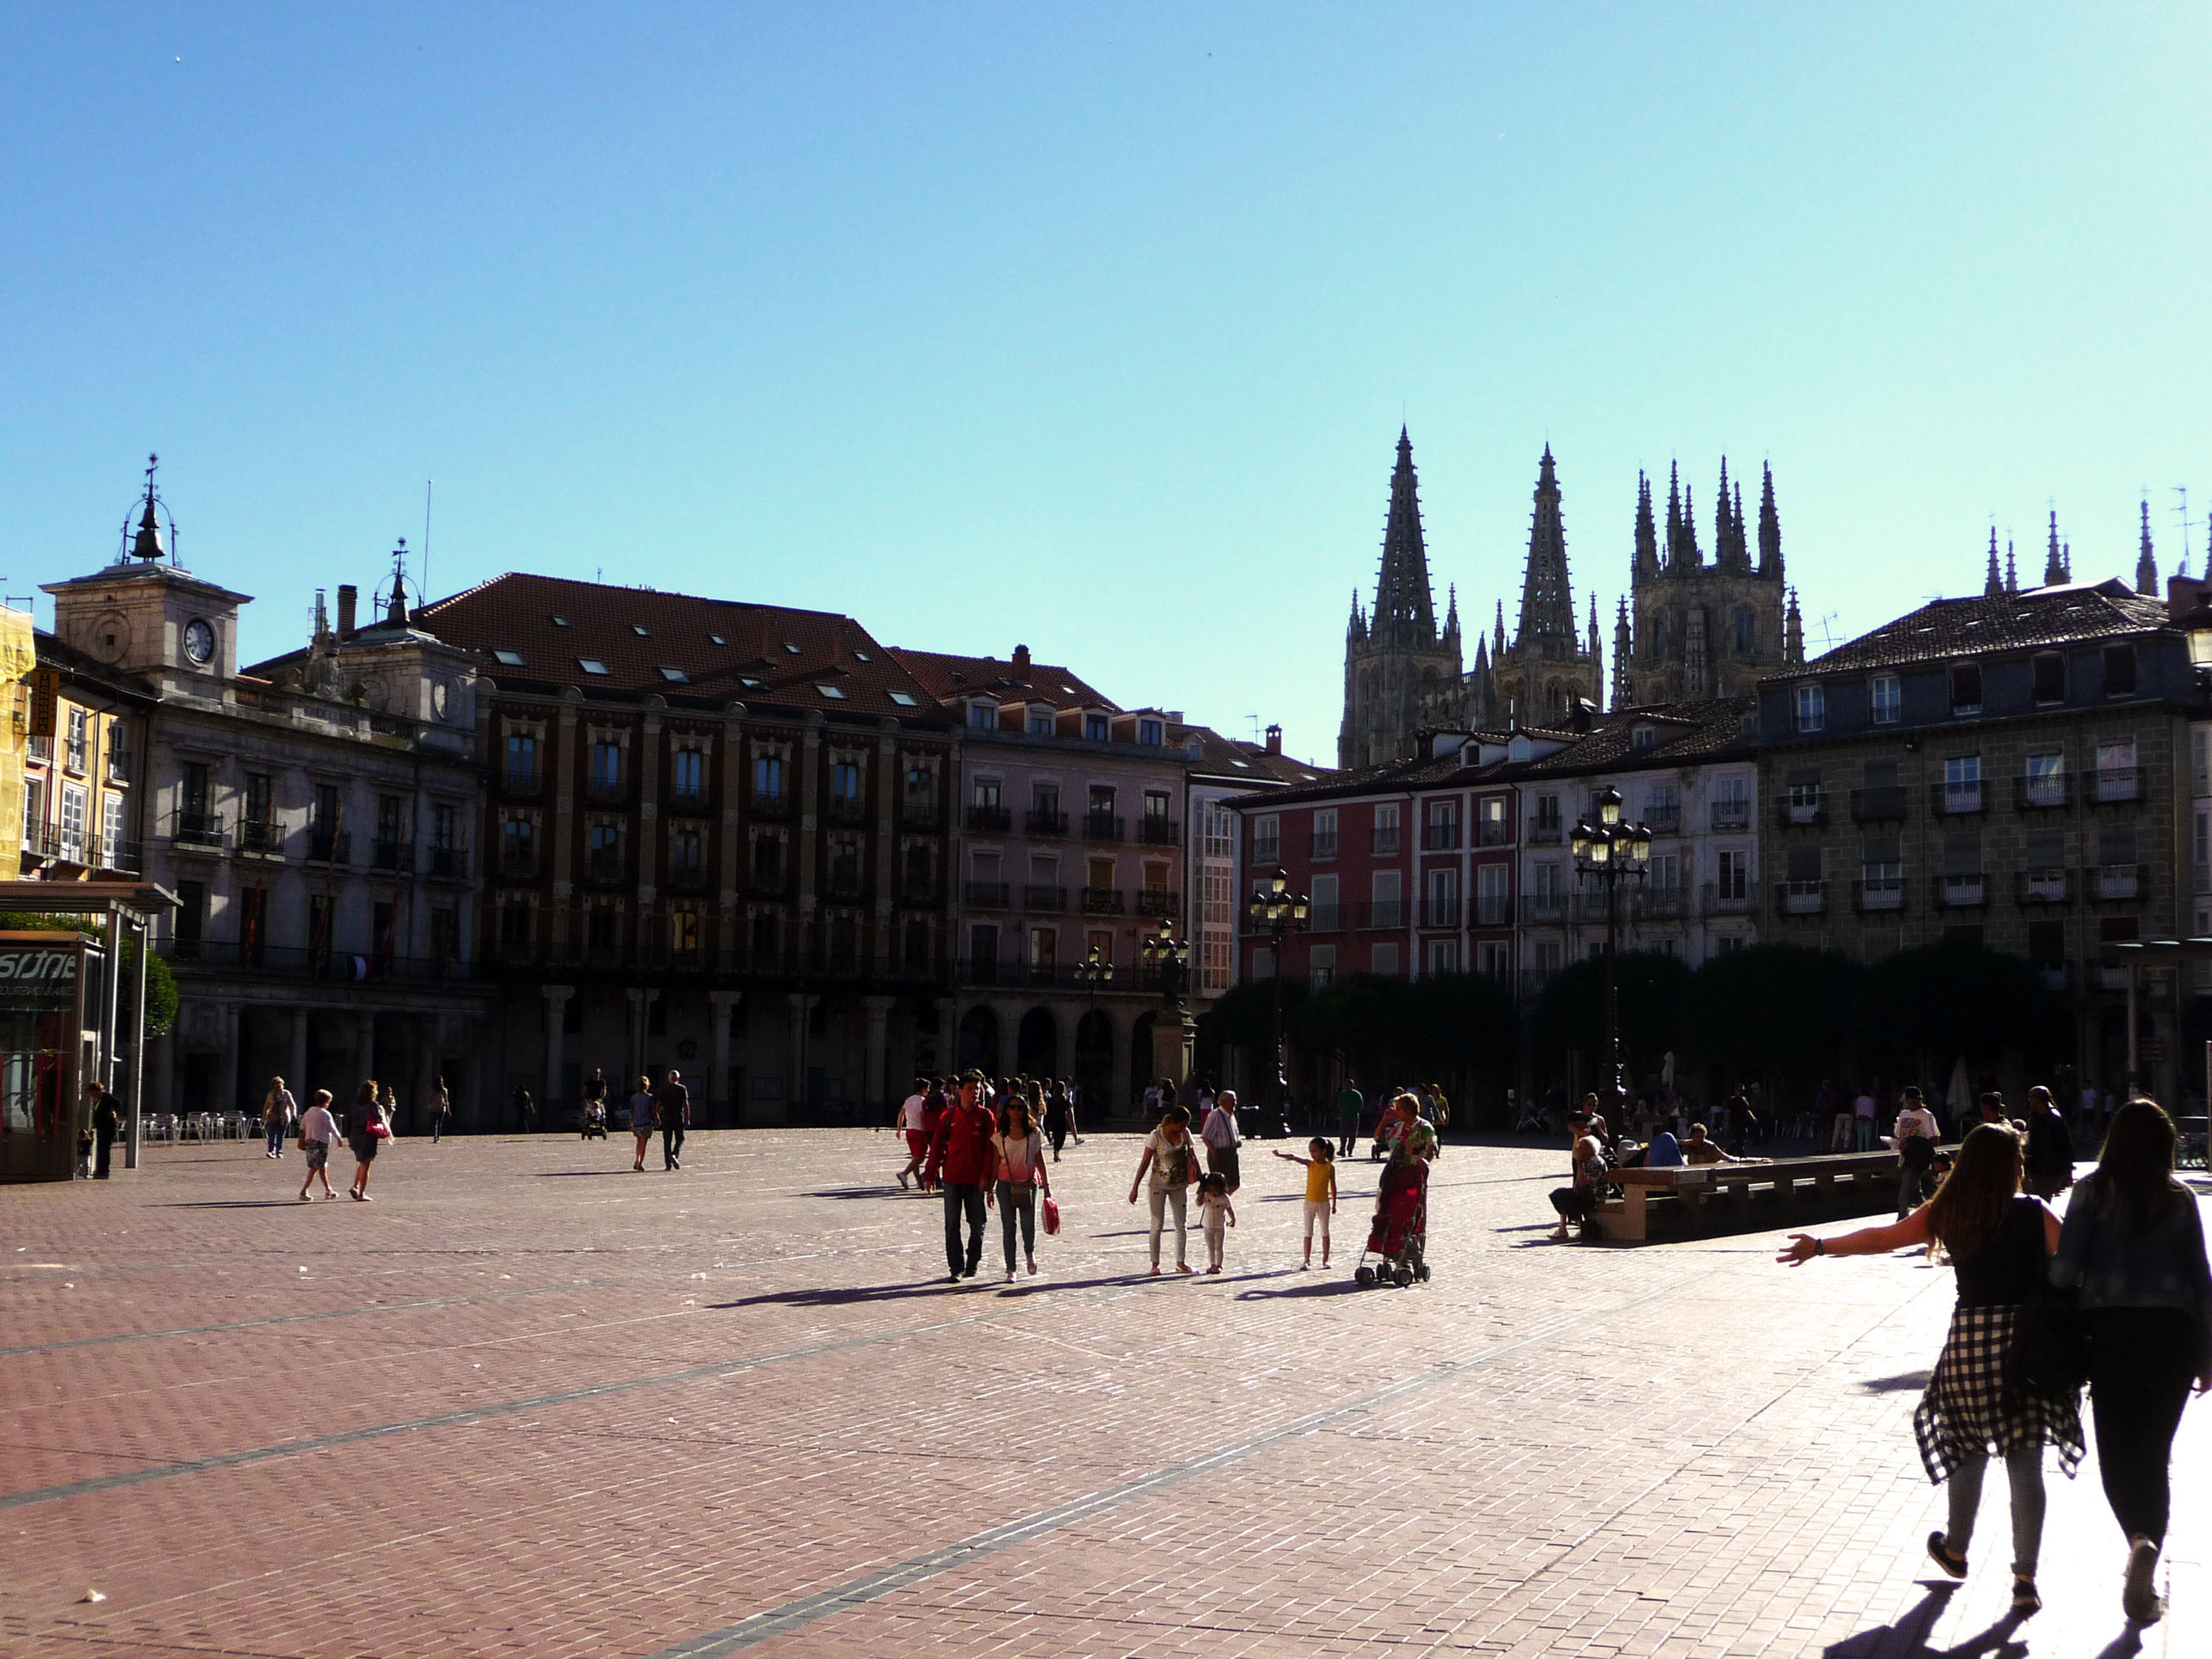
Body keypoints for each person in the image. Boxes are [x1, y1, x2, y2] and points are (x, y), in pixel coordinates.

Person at [1778, 1123, 2081, 1617]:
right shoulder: (2031, 1211)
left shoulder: (1949, 1210)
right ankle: (2025, 1578)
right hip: (2029, 1345)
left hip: (1970, 1344)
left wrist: (1820, 1245)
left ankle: (1956, 1549)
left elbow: (1884, 1238)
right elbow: (2074, 1262)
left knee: (1966, 1444)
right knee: (2024, 1460)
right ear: (2012, 1165)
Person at [2051, 1099, 2212, 1625]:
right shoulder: (2181, 1199)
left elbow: (2066, 1270)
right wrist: (2207, 1355)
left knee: (2119, 1455)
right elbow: (2201, 1283)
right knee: (2156, 1455)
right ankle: (2147, 1559)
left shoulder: (2091, 1193)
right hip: (2173, 1337)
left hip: (2112, 1334)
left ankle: (2138, 1539)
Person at [928, 1071, 996, 1282]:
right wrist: (930, 1174)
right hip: (952, 1179)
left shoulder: (986, 1117)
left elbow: (990, 1150)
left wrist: (987, 1177)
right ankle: (955, 1267)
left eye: (977, 1088)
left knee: (977, 1225)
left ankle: (973, 1260)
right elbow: (937, 1147)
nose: (974, 1092)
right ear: (960, 1091)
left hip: (976, 1180)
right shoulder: (948, 1117)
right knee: (951, 1225)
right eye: (970, 1088)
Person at [1128, 1104, 1202, 1276]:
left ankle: (1180, 1262)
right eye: (1182, 1125)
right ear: (1173, 1122)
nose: (1184, 1129)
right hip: (1157, 1185)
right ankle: (1155, 1264)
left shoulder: (1185, 1134)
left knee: (1181, 1224)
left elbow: (1192, 1156)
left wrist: (1199, 1179)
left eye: (1186, 1125)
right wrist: (1135, 1187)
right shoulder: (1156, 1136)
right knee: (1156, 1224)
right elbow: (1145, 1162)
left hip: (1179, 1184)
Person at [991, 1096, 1050, 1281]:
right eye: (1013, 1107)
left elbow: (1040, 1160)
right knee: (1008, 1226)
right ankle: (1011, 1269)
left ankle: (1029, 1253)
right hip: (1005, 1184)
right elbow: (995, 1163)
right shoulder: (999, 1136)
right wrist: (989, 1190)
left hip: (1028, 1183)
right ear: (1007, 1111)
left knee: (1028, 1224)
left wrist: (1047, 1186)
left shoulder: (1034, 1134)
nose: (1016, 1111)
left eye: (1020, 1108)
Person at [1273, 1140, 1338, 1268]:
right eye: (1310, 1151)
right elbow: (1294, 1157)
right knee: (1308, 1232)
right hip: (1309, 1202)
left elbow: (1333, 1187)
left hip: (1324, 1203)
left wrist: (1334, 1203)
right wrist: (1280, 1155)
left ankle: (1325, 1260)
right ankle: (1307, 1260)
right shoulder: (1310, 1164)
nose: (1312, 1154)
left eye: (1314, 1151)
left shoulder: (1330, 1167)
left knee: (1325, 1232)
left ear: (1323, 1151)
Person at [1548, 1115, 1610, 1241]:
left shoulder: (1594, 1162)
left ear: (1588, 1150)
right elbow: (1577, 1186)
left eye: (1581, 1148)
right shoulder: (1587, 1160)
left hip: (1595, 1196)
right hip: (1587, 1193)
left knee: (1563, 1197)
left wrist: (1579, 1165)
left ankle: (1570, 1228)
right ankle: (1563, 1228)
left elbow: (1582, 1183)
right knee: (1560, 1194)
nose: (1578, 1150)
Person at [1895, 1086, 1941, 1217]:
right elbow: (1898, 1133)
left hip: (1919, 1157)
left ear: (1920, 1100)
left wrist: (1915, 1141)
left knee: (1906, 1190)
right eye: (1910, 1101)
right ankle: (1930, 1214)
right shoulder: (1903, 1114)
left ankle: (1902, 1218)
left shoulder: (1927, 1116)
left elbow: (1935, 1140)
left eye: (1915, 1101)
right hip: (1906, 1156)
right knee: (1915, 1190)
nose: (1913, 1104)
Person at [2023, 1086, 2075, 1200]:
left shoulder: (2054, 1118)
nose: (2029, 1100)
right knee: (2039, 1198)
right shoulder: (2034, 1117)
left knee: (2044, 1197)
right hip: (2037, 1166)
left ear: (2038, 1099)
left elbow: (2064, 1143)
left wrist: (2068, 1167)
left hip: (2051, 1167)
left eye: (2031, 1097)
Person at [348, 1081, 389, 1201]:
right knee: (367, 1166)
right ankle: (361, 1194)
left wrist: (349, 1138)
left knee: (362, 1162)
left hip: (355, 1135)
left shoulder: (354, 1104)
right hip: (368, 1135)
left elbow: (349, 1121)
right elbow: (378, 1118)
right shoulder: (373, 1105)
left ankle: (355, 1186)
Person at [297, 1090, 340, 1200]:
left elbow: (302, 1127)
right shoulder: (325, 1114)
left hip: (310, 1142)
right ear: (326, 1102)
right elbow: (332, 1127)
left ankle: (328, 1190)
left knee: (321, 1166)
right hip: (321, 1143)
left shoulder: (308, 1112)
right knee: (316, 1167)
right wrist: (338, 1138)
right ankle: (304, 1191)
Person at [1200, 1088, 1242, 1193]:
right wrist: (1214, 1153)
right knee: (1218, 1185)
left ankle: (1221, 1203)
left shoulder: (1232, 1115)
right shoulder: (1215, 1115)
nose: (1235, 1103)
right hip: (1219, 1153)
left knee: (1234, 1183)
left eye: (1235, 1101)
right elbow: (1205, 1136)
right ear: (1223, 1102)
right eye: (1232, 1101)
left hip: (1232, 1152)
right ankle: (1212, 1204)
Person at [1196, 1171, 1236, 1274]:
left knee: (1219, 1246)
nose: (1214, 1193)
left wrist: (1233, 1219)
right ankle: (1212, 1264)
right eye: (1211, 1190)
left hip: (1220, 1226)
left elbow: (1229, 1209)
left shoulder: (1224, 1198)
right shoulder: (1206, 1195)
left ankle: (1219, 1265)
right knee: (1210, 1247)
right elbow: (1199, 1203)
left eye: (1216, 1190)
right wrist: (1200, 1195)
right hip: (1207, 1225)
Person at [895, 1077, 930, 1189]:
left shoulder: (908, 1099)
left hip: (909, 1130)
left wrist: (899, 1129)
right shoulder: (922, 1101)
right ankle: (904, 1173)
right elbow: (922, 1116)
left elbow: (901, 1114)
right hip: (919, 1130)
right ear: (923, 1089)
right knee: (920, 1158)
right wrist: (926, 1130)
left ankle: (919, 1182)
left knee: (915, 1157)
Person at [657, 1069, 690, 1171]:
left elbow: (658, 1104)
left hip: (666, 1117)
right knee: (680, 1138)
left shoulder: (664, 1089)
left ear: (669, 1078)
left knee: (667, 1141)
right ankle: (675, 1154)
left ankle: (668, 1165)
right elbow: (685, 1105)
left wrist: (657, 1117)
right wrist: (687, 1118)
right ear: (678, 1079)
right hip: (678, 1117)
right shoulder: (682, 1089)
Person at [261, 1076, 297, 1157]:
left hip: (284, 1117)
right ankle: (271, 1151)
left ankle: (279, 1152)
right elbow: (266, 1107)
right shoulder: (270, 1095)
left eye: (280, 1084)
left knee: (281, 1135)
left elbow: (292, 1105)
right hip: (272, 1117)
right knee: (272, 1135)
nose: (279, 1086)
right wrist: (264, 1118)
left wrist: (293, 1114)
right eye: (277, 1084)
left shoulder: (286, 1094)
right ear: (273, 1085)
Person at [90, 1087, 121, 1180]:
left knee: (104, 1149)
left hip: (108, 1127)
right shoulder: (98, 1100)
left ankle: (104, 1172)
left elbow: (118, 1103)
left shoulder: (106, 1097)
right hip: (101, 1126)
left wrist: (112, 1111)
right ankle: (100, 1170)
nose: (92, 1096)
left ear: (97, 1091)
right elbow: (98, 1114)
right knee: (100, 1149)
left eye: (93, 1093)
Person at [1042, 1079, 1071, 1161]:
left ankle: (1056, 1150)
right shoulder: (1065, 1099)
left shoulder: (1052, 1099)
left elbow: (1048, 1110)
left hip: (1054, 1120)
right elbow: (1069, 1111)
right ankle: (1057, 1151)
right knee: (1062, 1138)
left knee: (1056, 1135)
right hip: (1061, 1120)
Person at [1337, 1079, 1363, 1158]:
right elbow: (1339, 1104)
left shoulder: (1357, 1094)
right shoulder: (1342, 1094)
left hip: (1353, 1116)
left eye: (1349, 1085)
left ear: (1352, 1085)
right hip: (1344, 1116)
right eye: (1346, 1085)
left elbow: (1361, 1105)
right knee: (1343, 1134)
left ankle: (1350, 1150)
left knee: (1353, 1134)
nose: (1347, 1086)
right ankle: (1342, 1150)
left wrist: (1355, 1111)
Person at [1853, 1084, 1878, 1151]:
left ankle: (1859, 1150)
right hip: (1868, 1119)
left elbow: (1856, 1108)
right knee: (1868, 1137)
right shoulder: (1871, 1100)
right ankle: (1867, 1150)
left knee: (1860, 1136)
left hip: (1859, 1118)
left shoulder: (1858, 1099)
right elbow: (1872, 1110)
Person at [429, 1077, 452, 1144]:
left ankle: (435, 1136)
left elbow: (430, 1099)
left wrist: (430, 1105)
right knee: (440, 1123)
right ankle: (438, 1137)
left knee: (435, 1123)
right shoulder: (444, 1090)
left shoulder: (433, 1090)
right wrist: (449, 1110)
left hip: (434, 1108)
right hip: (442, 1109)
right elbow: (447, 1101)